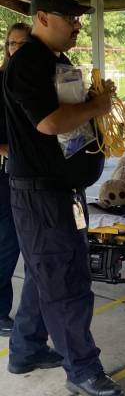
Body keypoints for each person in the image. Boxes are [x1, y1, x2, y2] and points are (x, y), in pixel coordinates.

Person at [3, 0, 124, 396]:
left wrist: (90, 102)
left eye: (77, 17)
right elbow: (49, 123)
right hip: (41, 194)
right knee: (65, 282)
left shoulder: (56, 60)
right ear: (43, 18)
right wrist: (96, 108)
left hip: (61, 191)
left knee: (45, 277)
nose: (76, 24)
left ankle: (25, 350)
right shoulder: (27, 63)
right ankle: (84, 370)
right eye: (69, 17)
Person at [0, 22, 31, 336]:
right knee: (7, 244)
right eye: (12, 43)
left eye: (24, 44)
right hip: (4, 175)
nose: (17, 49)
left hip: (33, 174)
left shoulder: (36, 82)